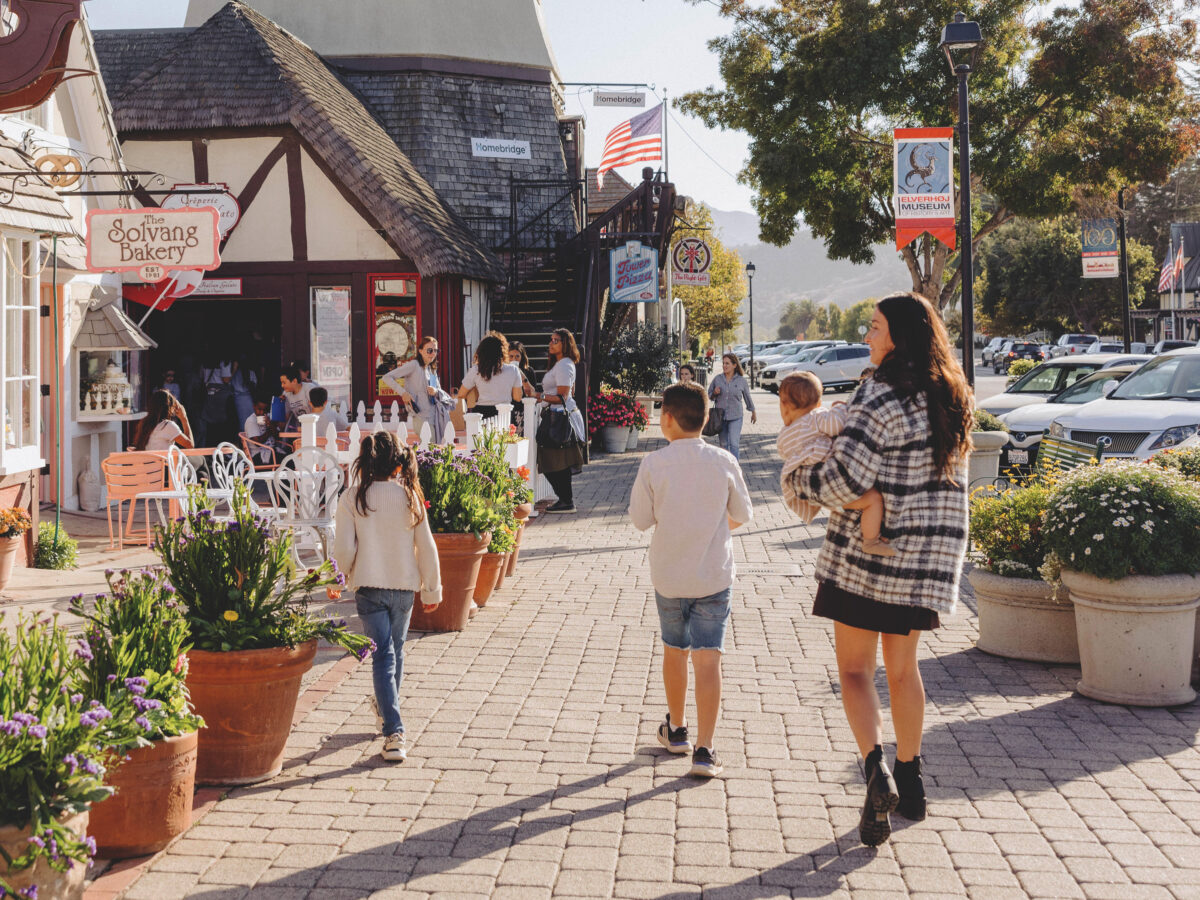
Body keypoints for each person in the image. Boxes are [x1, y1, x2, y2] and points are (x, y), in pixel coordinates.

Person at [785, 292, 972, 847]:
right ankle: (911, 778)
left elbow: (844, 481)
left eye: (873, 327)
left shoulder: (879, 393)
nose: (866, 336)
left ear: (899, 336)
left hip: (866, 562)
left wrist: (796, 481)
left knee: (854, 673)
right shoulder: (953, 393)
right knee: (903, 671)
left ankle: (875, 769)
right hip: (921, 563)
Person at [629, 381, 753, 778]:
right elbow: (742, 514)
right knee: (708, 659)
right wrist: (713, 530)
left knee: (673, 650)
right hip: (714, 574)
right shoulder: (722, 460)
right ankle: (705, 748)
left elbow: (640, 520)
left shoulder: (653, 463)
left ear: (666, 419)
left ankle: (677, 729)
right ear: (706, 418)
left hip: (669, 574)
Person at [329, 432, 442, 763]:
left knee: (385, 655)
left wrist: (337, 578)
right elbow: (427, 547)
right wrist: (432, 588)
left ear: (366, 462)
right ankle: (391, 721)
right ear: (397, 464)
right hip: (404, 588)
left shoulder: (353, 498)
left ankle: (392, 729)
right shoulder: (409, 497)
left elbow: (344, 548)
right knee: (394, 652)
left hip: (369, 588)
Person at [777, 372, 895, 557]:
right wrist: (840, 407)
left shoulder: (785, 434)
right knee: (874, 500)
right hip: (835, 482)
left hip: (816, 493)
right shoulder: (815, 418)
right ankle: (870, 541)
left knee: (864, 502)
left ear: (784, 406)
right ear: (817, 403)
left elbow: (785, 453)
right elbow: (837, 424)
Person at [534, 328, 585, 513]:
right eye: (551, 340)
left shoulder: (564, 364)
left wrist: (539, 395)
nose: (551, 343)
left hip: (560, 417)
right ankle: (565, 499)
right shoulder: (560, 364)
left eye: (556, 340)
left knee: (556, 460)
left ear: (565, 344)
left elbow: (563, 396)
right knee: (554, 460)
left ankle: (566, 500)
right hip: (555, 415)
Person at [381, 337, 453, 439]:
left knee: (433, 449)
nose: (433, 353)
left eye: (436, 350)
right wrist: (403, 393)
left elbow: (438, 391)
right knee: (429, 448)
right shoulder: (414, 365)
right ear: (420, 351)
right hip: (421, 416)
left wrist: (436, 391)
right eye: (429, 350)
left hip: (434, 416)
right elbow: (387, 377)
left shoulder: (431, 369)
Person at [456, 335, 523, 420]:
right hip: (505, 413)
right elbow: (517, 397)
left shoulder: (476, 370)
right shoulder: (513, 370)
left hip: (482, 413)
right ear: (502, 352)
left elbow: (461, 394)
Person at [707, 354, 756, 460]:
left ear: (734, 365)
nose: (724, 366)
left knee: (734, 444)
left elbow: (747, 397)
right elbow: (709, 395)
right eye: (723, 363)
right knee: (723, 445)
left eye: (727, 363)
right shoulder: (717, 379)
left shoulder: (741, 381)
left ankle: (735, 469)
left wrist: (753, 412)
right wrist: (714, 393)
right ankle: (725, 469)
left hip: (736, 416)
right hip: (721, 417)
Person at [242, 397, 281, 465]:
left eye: (265, 410)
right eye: (259, 409)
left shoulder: (268, 417)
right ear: (254, 407)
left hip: (271, 451)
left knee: (290, 457)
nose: (262, 412)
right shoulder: (251, 421)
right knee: (288, 461)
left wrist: (270, 424)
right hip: (258, 455)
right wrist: (268, 429)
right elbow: (257, 443)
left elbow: (278, 437)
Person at [279, 364, 313, 430]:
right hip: (301, 431)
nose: (282, 386)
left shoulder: (309, 389)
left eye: (284, 383)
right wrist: (280, 405)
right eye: (281, 383)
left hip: (316, 430)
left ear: (294, 381)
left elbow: (318, 412)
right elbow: (284, 420)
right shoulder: (286, 394)